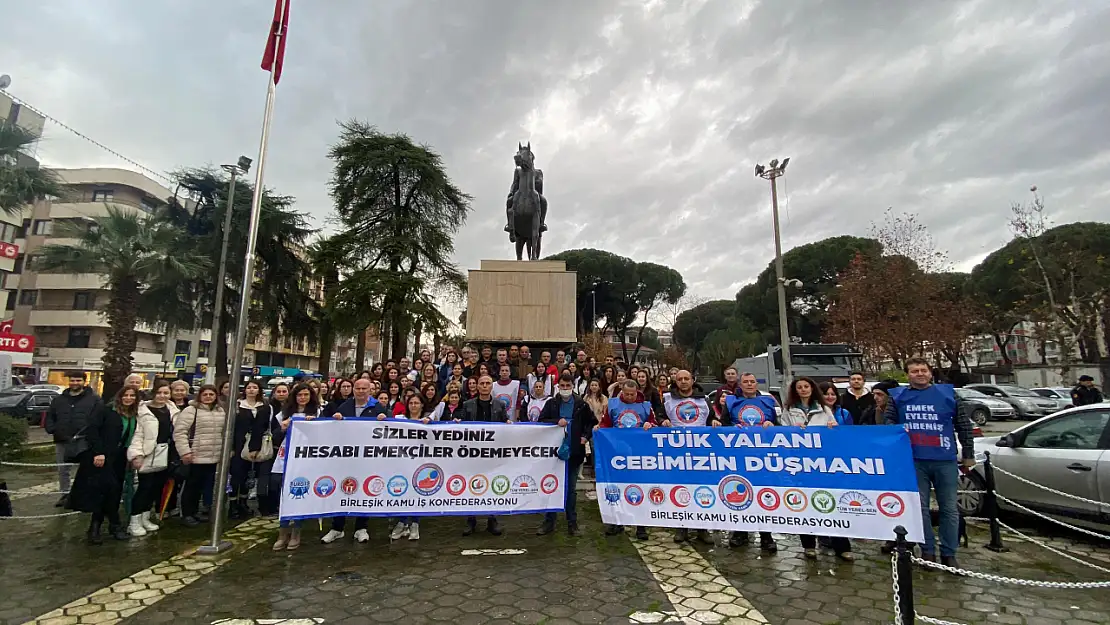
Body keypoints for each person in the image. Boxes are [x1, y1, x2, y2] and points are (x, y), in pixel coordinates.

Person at [884, 358, 975, 569]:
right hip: (914, 460)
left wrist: (968, 455)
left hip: (945, 459)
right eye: (914, 371)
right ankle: (927, 551)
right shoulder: (898, 397)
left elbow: (963, 425)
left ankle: (949, 553)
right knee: (920, 508)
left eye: (923, 370)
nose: (920, 374)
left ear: (930, 372)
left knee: (950, 508)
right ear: (908, 374)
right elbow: (888, 423)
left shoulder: (948, 394)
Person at [67, 386, 138, 543]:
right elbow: (92, 431)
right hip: (103, 457)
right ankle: (96, 528)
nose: (129, 398)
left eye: (132, 395)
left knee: (115, 492)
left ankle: (112, 526)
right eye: (126, 395)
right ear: (120, 396)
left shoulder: (133, 415)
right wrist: (99, 452)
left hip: (121, 457)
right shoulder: (106, 411)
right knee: (103, 492)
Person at [720, 371, 779, 552]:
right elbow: (723, 425)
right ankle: (740, 532)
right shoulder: (731, 402)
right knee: (740, 492)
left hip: (763, 456)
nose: (749, 384)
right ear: (740, 384)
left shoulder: (768, 402)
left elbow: (779, 426)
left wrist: (772, 426)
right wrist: (731, 428)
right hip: (738, 454)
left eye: (752, 381)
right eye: (745, 382)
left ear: (756, 384)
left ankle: (766, 535)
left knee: (763, 494)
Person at [596, 379, 657, 540]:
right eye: (626, 394)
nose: (629, 397)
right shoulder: (613, 404)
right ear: (621, 391)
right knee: (618, 488)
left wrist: (650, 425)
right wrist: (599, 428)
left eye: (632, 394)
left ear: (637, 391)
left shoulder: (645, 406)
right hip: (617, 453)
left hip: (639, 453)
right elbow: (606, 424)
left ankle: (641, 526)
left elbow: (653, 422)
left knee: (640, 487)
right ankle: (617, 522)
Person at [537, 372, 595, 536]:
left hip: (574, 452)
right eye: (562, 386)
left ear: (572, 387)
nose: (565, 389)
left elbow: (591, 422)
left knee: (570, 489)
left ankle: (572, 523)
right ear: (558, 386)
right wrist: (556, 422)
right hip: (554, 454)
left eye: (568, 386)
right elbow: (541, 421)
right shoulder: (551, 403)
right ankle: (549, 521)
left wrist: (585, 436)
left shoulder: (581, 404)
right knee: (551, 486)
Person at [660, 370, 714, 544]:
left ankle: (702, 528)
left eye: (686, 379)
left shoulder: (704, 399)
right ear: (675, 381)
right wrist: (662, 421)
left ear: (693, 380)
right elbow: (659, 416)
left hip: (700, 454)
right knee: (680, 489)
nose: (683, 382)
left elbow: (713, 420)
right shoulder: (668, 399)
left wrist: (716, 422)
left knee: (701, 489)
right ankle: (681, 527)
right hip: (677, 454)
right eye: (680, 379)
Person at [126, 380, 179, 536]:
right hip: (148, 452)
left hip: (165, 452)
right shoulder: (143, 410)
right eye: (159, 392)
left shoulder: (172, 410)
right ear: (154, 393)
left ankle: (145, 518)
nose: (162, 396)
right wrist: (137, 454)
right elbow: (137, 434)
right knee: (144, 488)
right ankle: (134, 521)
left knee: (156, 488)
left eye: (166, 393)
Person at [272, 383, 321, 550]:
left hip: (306, 456)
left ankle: (296, 531)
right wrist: (284, 427)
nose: (303, 398)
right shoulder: (284, 413)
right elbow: (275, 436)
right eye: (300, 395)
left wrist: (313, 425)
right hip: (286, 455)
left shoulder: (317, 412)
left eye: (306, 395)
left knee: (300, 491)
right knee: (284, 494)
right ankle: (282, 531)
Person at [45, 371, 104, 508]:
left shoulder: (94, 399)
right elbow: (50, 416)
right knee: (63, 470)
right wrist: (53, 429)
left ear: (84, 382)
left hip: (84, 440)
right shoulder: (59, 400)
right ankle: (65, 495)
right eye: (72, 380)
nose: (75, 383)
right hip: (62, 440)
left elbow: (100, 418)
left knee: (84, 469)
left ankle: (81, 496)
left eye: (78, 380)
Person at [173, 385, 226, 528]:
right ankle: (186, 513)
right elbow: (180, 432)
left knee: (204, 485)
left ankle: (195, 511)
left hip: (213, 455)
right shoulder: (191, 410)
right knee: (191, 486)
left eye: (211, 394)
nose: (208, 397)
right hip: (195, 454)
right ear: (200, 396)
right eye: (205, 394)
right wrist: (185, 451)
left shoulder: (220, 411)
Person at [461, 375, 507, 536]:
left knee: (493, 484)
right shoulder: (467, 405)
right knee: (471, 484)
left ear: (491, 386)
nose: (485, 386)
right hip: (473, 453)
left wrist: (508, 425)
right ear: (477, 387)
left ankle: (492, 519)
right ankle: (470, 519)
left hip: (492, 453)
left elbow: (506, 428)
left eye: (488, 383)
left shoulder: (500, 405)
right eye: (482, 383)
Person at [389, 394, 432, 541]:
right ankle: (401, 523)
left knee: (417, 493)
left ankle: (415, 524)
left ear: (422, 405)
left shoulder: (428, 421)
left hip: (421, 462)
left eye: (416, 403)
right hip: (402, 461)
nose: (413, 405)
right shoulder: (399, 419)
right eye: (411, 403)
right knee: (402, 491)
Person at [229, 379, 272, 520]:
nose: (252, 390)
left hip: (256, 445)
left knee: (249, 475)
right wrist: (231, 448)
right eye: (249, 387)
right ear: (245, 390)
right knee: (236, 475)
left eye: (255, 387)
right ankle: (233, 504)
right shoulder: (237, 406)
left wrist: (256, 447)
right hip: (238, 444)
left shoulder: (264, 407)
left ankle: (244, 502)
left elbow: (262, 427)